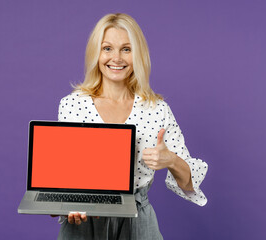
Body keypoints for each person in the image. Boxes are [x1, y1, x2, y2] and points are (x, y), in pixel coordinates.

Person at [54, 13, 208, 240]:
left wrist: (171, 160)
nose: (116, 58)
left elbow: (188, 184)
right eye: (107, 48)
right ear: (96, 53)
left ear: (138, 55)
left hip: (138, 221)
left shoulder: (157, 109)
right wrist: (66, 205)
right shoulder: (72, 105)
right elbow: (61, 174)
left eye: (126, 49)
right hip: (85, 219)